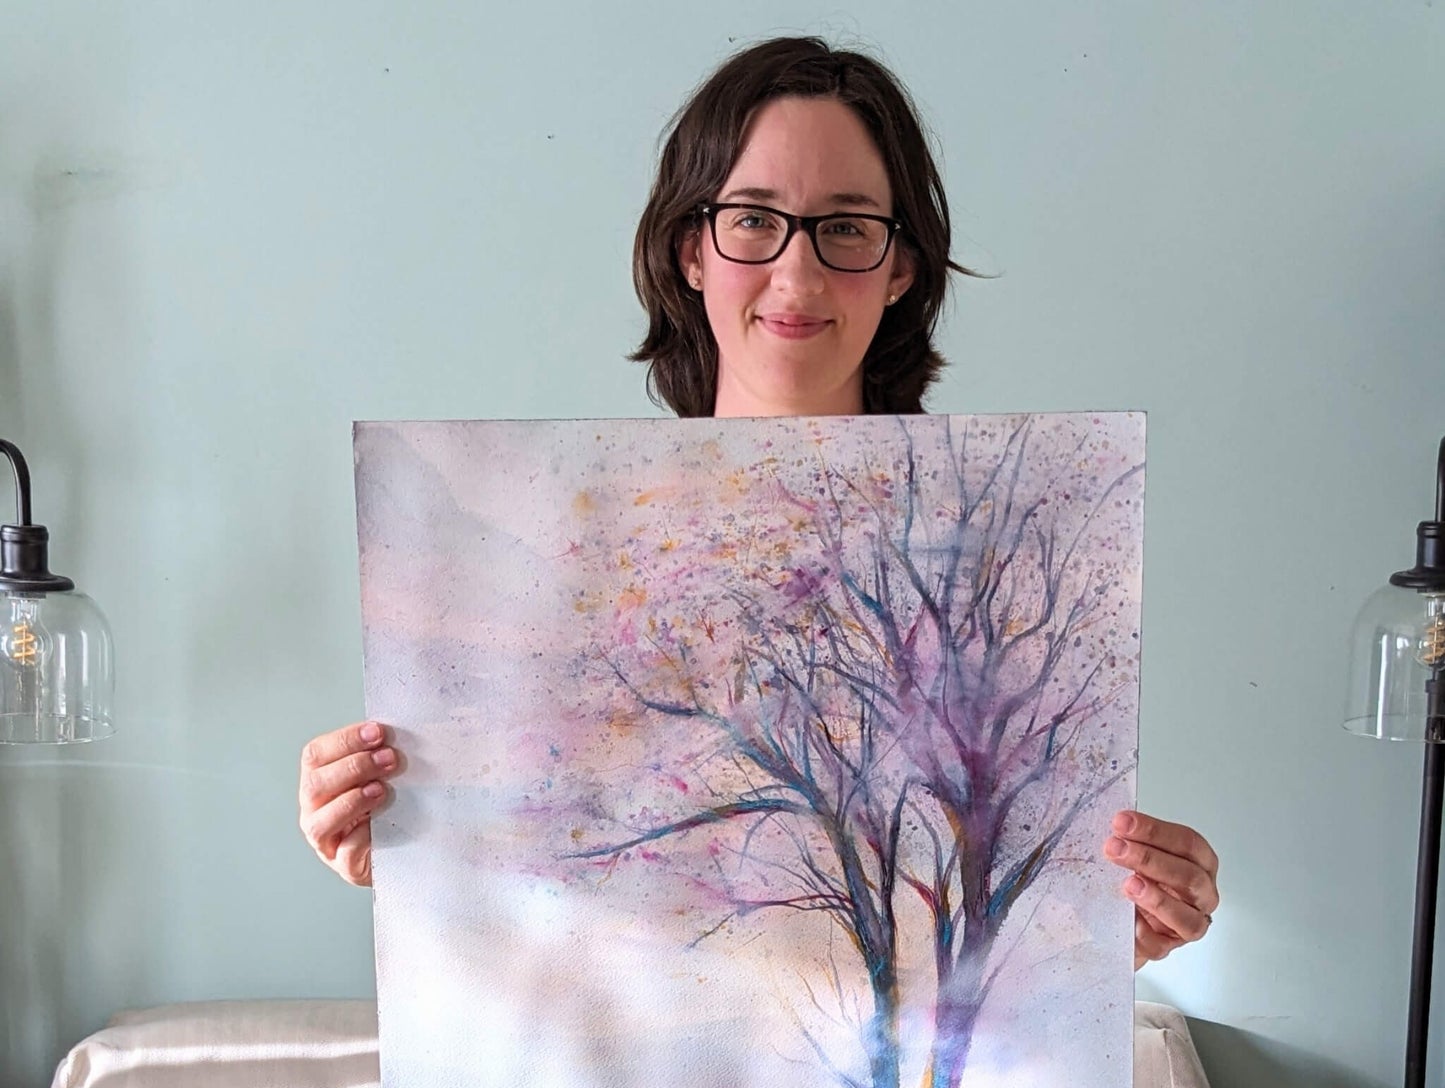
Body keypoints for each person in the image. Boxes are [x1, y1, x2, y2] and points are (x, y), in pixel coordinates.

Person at [298, 37, 1218, 974]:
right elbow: (557, 900)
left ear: (901, 266)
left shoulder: (997, 557)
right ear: (691, 249)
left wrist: (1113, 924)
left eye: (846, 227)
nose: (798, 274)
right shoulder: (567, 557)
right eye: (752, 219)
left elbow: (1008, 909)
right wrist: (408, 840)